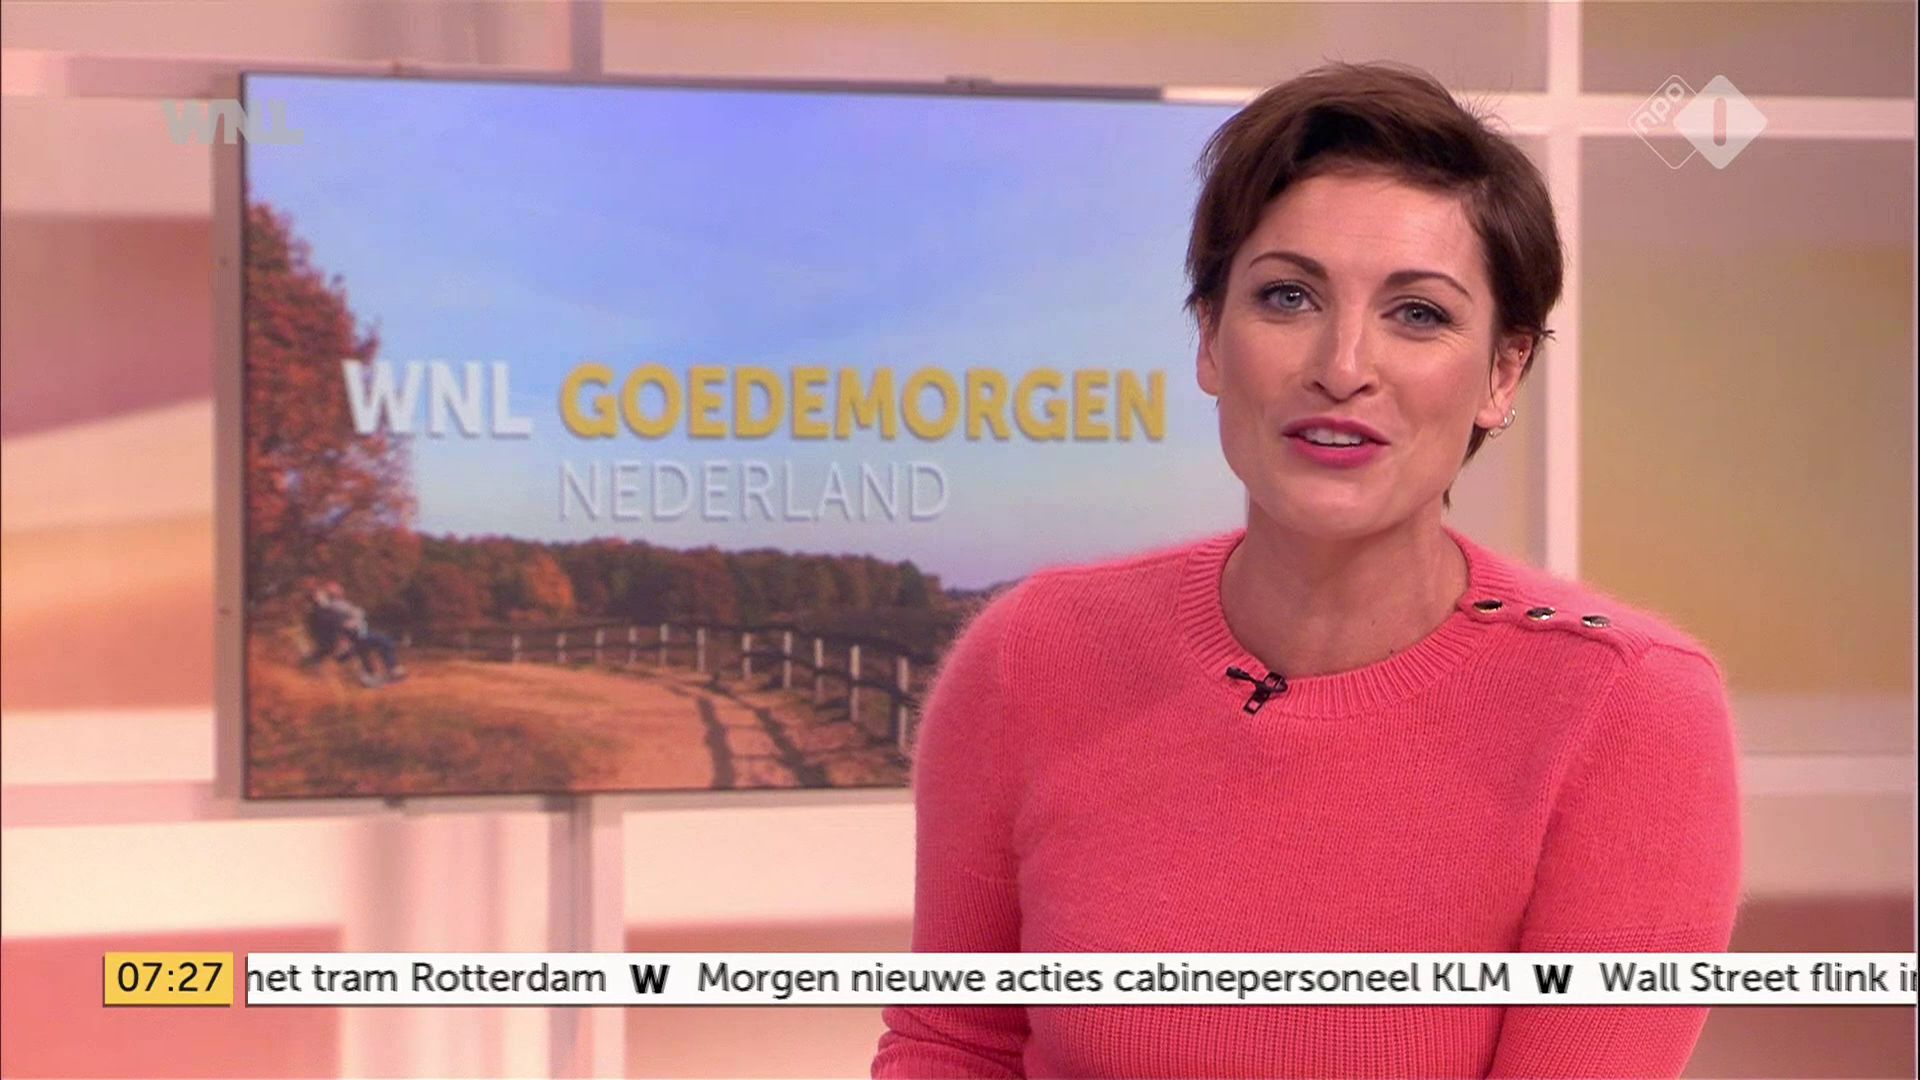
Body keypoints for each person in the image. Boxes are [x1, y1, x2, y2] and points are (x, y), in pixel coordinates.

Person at [871, 61, 1740, 1078]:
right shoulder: (1033, 653)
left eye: (1419, 314)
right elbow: (952, 1046)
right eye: (1288, 297)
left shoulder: (1629, 709)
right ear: (1209, 337)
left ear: (1502, 374)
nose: (1342, 366)